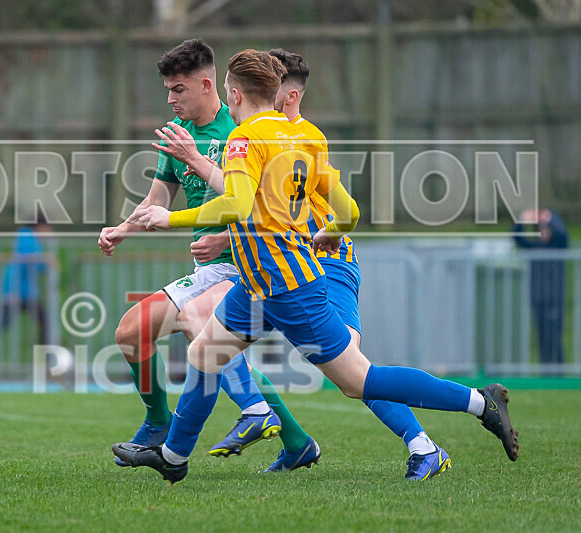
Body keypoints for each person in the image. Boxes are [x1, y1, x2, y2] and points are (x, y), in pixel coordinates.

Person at [113, 49, 519, 484]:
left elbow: (236, 203)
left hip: (286, 287)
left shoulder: (243, 139)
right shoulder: (305, 136)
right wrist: (334, 229)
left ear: (233, 94)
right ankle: (173, 457)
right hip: (258, 283)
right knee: (205, 353)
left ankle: (479, 401)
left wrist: (169, 218)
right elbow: (349, 209)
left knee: (359, 380)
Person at [98, 39, 285, 466]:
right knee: (131, 332)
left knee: (205, 332)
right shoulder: (178, 137)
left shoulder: (241, 130)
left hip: (249, 265)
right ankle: (160, 421)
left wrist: (227, 234)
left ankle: (255, 414)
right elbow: (157, 200)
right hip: (207, 270)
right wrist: (122, 229)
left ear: (206, 84)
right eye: (166, 88)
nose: (170, 98)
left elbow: (260, 202)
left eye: (177, 89)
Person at [0, 216, 54, 372]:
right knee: (5, 323)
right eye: (47, 228)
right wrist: (45, 259)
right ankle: (45, 361)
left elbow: (35, 266)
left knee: (40, 322)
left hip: (27, 292)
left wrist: (45, 265)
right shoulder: (26, 236)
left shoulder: (33, 240)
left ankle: (45, 360)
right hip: (17, 291)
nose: (49, 232)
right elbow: (26, 258)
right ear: (40, 227)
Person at [513, 209, 569, 365]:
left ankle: (558, 371)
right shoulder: (534, 247)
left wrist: (548, 216)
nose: (543, 232)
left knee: (554, 338)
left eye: (546, 229)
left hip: (555, 299)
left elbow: (562, 233)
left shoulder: (558, 245)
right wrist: (522, 221)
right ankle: (546, 372)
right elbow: (516, 237)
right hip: (538, 298)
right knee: (542, 338)